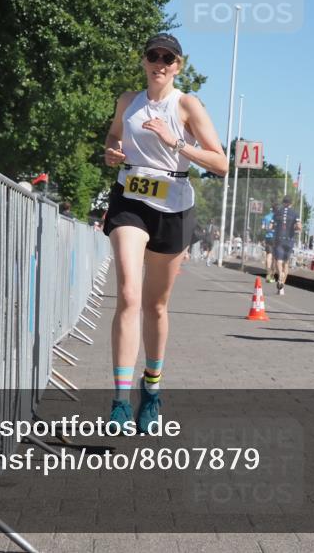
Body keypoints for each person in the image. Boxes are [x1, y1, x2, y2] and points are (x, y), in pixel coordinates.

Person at [102, 33, 227, 430]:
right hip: (130, 198)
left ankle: (151, 389)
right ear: (143, 61)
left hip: (173, 204)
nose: (160, 63)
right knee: (127, 293)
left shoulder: (187, 104)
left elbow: (221, 163)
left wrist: (177, 143)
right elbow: (113, 136)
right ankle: (120, 400)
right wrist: (112, 151)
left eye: (168, 58)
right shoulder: (128, 101)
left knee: (156, 305)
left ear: (178, 65)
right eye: (153, 56)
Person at [270, 195, 301, 295]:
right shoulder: (295, 214)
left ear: (283, 203)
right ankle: (282, 285)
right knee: (286, 264)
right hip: (289, 241)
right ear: (291, 203)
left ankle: (280, 278)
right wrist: (295, 228)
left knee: (278, 262)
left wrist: (275, 228)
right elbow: (299, 227)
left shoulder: (277, 212)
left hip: (279, 239)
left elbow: (270, 226)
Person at [262, 202, 277, 282]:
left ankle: (268, 273)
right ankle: (272, 276)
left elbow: (263, 227)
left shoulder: (266, 217)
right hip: (276, 238)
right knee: (275, 258)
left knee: (269, 256)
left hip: (268, 238)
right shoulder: (278, 217)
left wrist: (268, 229)